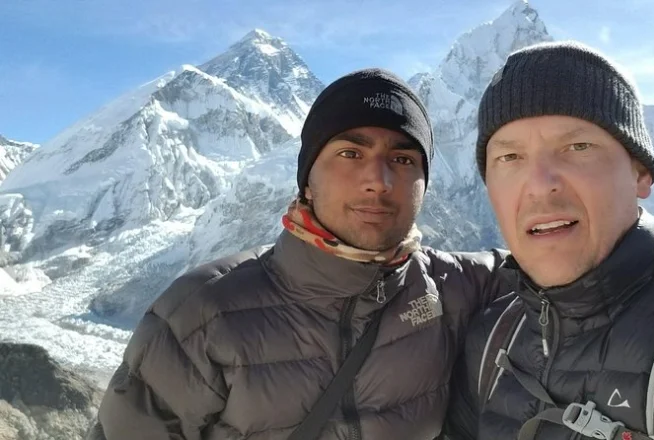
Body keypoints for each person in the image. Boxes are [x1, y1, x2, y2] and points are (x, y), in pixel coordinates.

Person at [87, 68, 510, 440]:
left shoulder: (452, 287)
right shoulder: (199, 317)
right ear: (307, 179)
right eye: (350, 153)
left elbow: (542, 264)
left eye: (402, 158)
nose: (378, 180)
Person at [443, 41, 654, 440]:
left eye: (578, 147)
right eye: (510, 158)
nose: (540, 186)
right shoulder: (491, 339)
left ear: (641, 174)